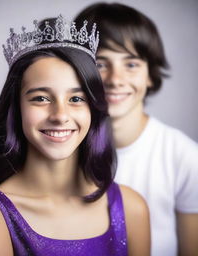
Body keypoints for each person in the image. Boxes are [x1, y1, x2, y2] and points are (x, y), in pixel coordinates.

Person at [0, 15, 150, 256]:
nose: (60, 115)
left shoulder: (131, 207)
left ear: (93, 108)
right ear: (16, 107)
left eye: (76, 99)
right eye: (41, 98)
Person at [75, 3, 198, 256]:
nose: (115, 79)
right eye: (100, 64)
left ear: (150, 75)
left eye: (131, 64)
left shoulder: (184, 156)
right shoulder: (59, 149)